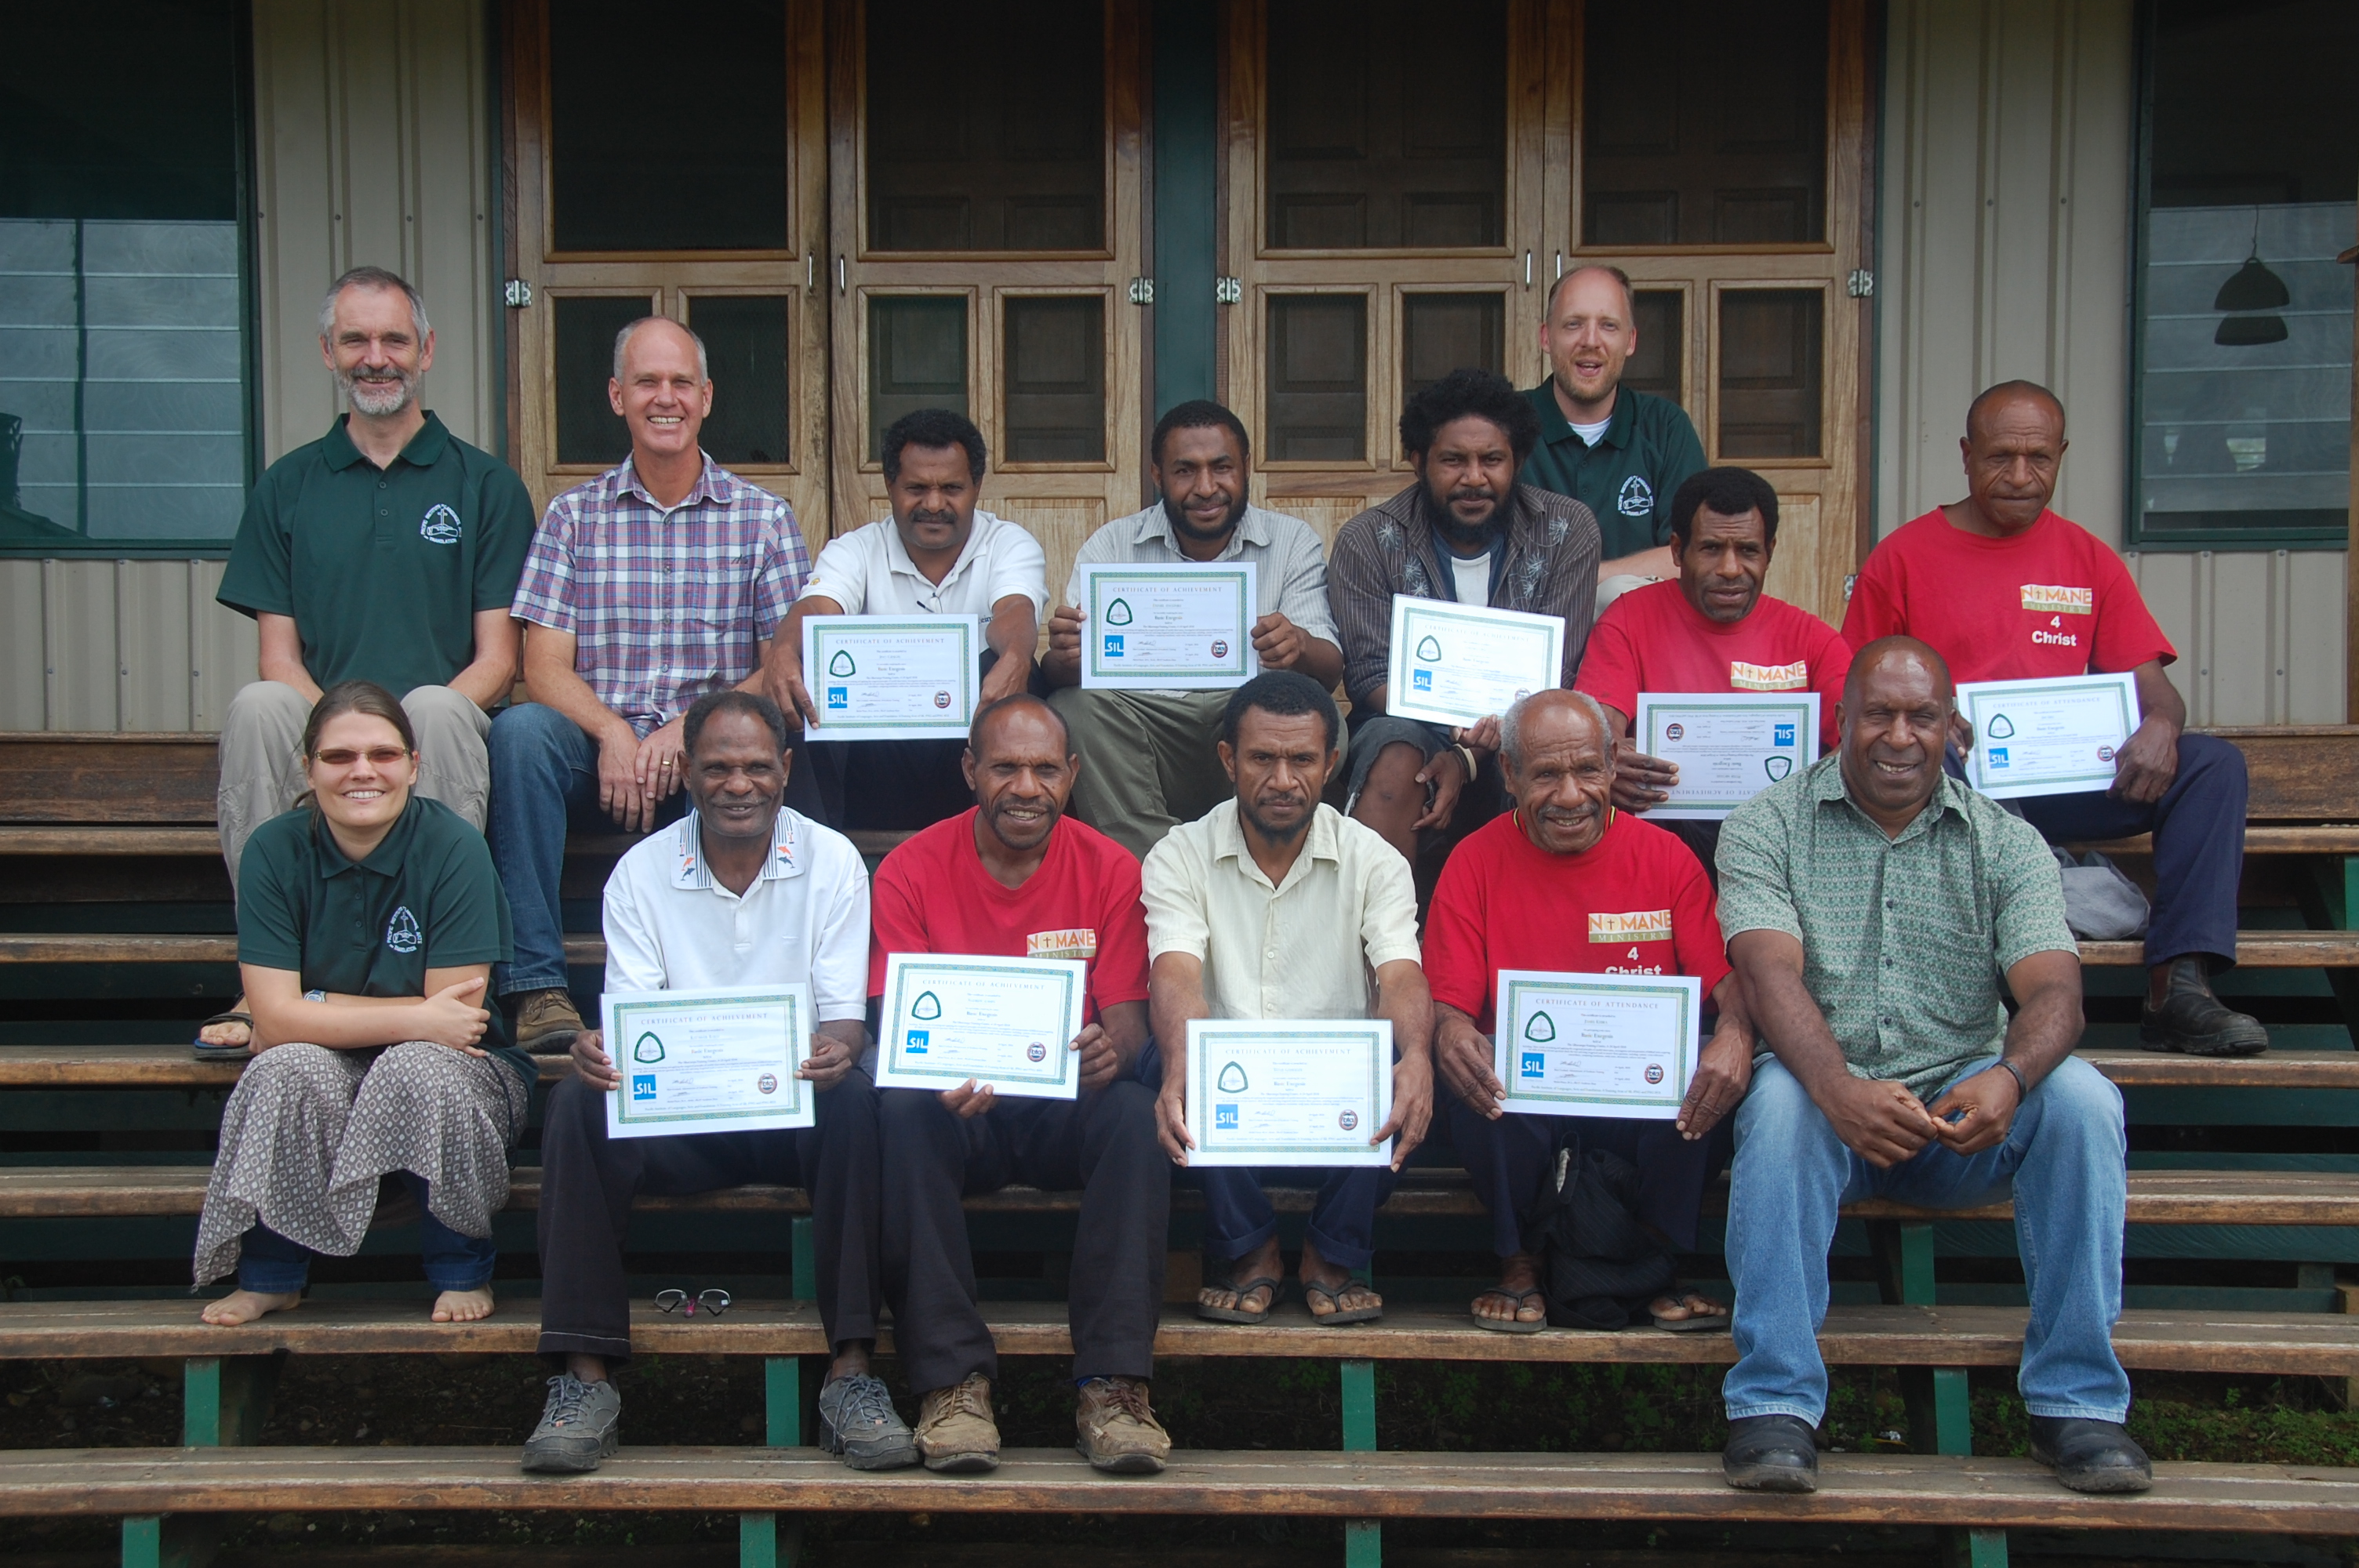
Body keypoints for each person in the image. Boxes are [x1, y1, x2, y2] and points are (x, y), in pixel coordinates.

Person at [1716, 637, 2148, 1497]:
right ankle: (1773, 1404)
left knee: (2084, 1100)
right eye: (1877, 713)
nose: (1898, 735)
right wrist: (1837, 1088)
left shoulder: (2007, 842)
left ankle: (2076, 1403)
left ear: (1953, 727)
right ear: (1840, 720)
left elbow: (2055, 994)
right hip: (1824, 1117)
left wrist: (2010, 1078)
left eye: (1921, 716)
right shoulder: (1765, 824)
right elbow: (1767, 975)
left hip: (1962, 1117)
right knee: (1778, 1102)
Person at [522, 690, 903, 1474]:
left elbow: (845, 1021)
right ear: (689, 774)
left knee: (857, 1097)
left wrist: (837, 1051)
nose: (739, 784)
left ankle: (851, 1371)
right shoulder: (641, 871)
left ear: (785, 769)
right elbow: (634, 1026)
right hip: (685, 1120)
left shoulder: (832, 859)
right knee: (577, 1101)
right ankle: (583, 1377)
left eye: (757, 766)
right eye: (719, 767)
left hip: (795, 1108)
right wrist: (603, 1053)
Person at [1844, 381, 2264, 1058]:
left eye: (2038, 458)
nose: (2020, 476)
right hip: (1958, 786)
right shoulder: (1904, 557)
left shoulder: (2087, 558)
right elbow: (1855, 690)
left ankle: (2178, 987)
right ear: (1966, 455)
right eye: (2000, 456)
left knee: (2213, 766)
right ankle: (1947, 994)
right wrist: (1926, 720)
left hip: (2069, 780)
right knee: (1914, 750)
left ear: (2061, 456)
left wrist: (2161, 726)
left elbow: (2156, 690)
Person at [201, 267, 534, 1058]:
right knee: (257, 704)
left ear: (426, 349)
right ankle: (265, 977)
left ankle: (447, 979)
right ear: (328, 351)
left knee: (438, 708)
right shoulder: (288, 484)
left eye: (393, 339)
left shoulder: (485, 484)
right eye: (355, 340)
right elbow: (278, 656)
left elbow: (498, 659)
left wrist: (394, 738)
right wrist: (347, 736)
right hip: (319, 714)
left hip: (435, 726)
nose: (375, 357)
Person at [490, 315, 815, 1055]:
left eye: (680, 383)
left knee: (773, 737)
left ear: (706, 397)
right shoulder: (573, 516)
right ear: (617, 396)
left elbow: (782, 663)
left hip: (712, 760)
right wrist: (612, 732)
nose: (664, 398)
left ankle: (769, 986)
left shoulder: (763, 518)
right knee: (519, 735)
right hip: (600, 757)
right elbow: (542, 666)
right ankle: (537, 987)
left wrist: (687, 730)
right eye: (646, 383)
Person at [870, 695, 1172, 1475]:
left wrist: (1107, 1051)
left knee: (1135, 1112)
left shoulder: (1110, 867)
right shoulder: (910, 868)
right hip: (955, 1110)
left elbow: (1129, 1025)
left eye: (1044, 768)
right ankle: (952, 1385)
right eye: (1005, 767)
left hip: (1063, 1106)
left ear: (1072, 773)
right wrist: (941, 1073)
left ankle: (1114, 1388)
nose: (1026, 787)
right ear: (969, 770)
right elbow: (892, 1024)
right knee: (898, 1112)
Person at [192, 681, 529, 1327]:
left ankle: (461, 1270)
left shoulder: (453, 845)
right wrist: (408, 1016)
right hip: (331, 1063)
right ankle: (272, 1277)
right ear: (309, 768)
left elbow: (455, 1019)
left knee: (417, 1067)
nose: (362, 772)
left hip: (457, 1071)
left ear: (413, 765)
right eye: (339, 757)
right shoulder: (273, 849)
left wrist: (313, 1003)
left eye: (383, 754)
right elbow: (276, 1022)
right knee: (284, 1067)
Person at [1423, 691, 1754, 1332]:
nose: (1571, 795)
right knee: (1476, 1088)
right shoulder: (1474, 862)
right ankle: (1519, 1266)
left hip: (1641, 1094)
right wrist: (1453, 1034)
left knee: (1710, 1084)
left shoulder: (1668, 858)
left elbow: (1727, 986)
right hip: (1527, 1098)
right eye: (1546, 774)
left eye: (1587, 770)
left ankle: (1651, 1264)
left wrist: (1737, 1034)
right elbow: (1450, 1006)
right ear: (1510, 774)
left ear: (1612, 767)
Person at [1143, 673, 1434, 1326]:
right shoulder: (1179, 854)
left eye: (1302, 759)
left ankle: (1332, 1253)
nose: (1282, 780)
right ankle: (1250, 1248)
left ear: (1331, 764)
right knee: (1168, 1059)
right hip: (1229, 1091)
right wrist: (1186, 1058)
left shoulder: (1375, 859)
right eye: (1262, 758)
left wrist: (1417, 1052)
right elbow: (1176, 971)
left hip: (1335, 1090)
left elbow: (1400, 975)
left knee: (1406, 1063)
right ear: (1228, 760)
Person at [1045, 401, 1347, 859]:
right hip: (1145, 722)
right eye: (1185, 471)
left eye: (1222, 468)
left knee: (1323, 717)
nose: (1206, 488)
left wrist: (1298, 645)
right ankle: (1164, 863)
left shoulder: (1291, 541)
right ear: (1157, 475)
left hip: (1248, 717)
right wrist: (1067, 655)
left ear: (1245, 468)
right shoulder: (1112, 544)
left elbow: (1329, 670)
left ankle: (1247, 854)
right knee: (1073, 708)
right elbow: (1060, 673)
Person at [1328, 368, 1601, 865]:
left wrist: (1471, 756)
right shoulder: (1368, 540)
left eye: (1492, 460)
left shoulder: (1566, 531)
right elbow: (1370, 675)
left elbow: (1559, 671)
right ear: (1418, 461)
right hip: (1406, 720)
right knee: (1397, 758)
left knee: (1547, 751)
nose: (1474, 478)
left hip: (1528, 720)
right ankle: (1380, 914)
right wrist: (1457, 735)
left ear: (1517, 461)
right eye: (1453, 460)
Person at [779, 408, 1048, 830]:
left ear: (977, 486)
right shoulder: (856, 550)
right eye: (916, 488)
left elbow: (1014, 610)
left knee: (1014, 669)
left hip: (971, 734)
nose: (934, 504)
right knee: (806, 679)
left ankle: (1004, 845)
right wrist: (782, 650)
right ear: (890, 485)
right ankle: (818, 849)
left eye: (952, 488)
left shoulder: (1007, 543)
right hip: (878, 751)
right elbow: (815, 609)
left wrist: (1015, 656)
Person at [1574, 466, 1852, 872]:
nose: (1730, 568)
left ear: (1770, 552)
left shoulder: (1812, 639)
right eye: (1711, 548)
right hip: (1663, 847)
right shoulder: (1629, 620)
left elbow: (1860, 735)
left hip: (1781, 849)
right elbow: (1597, 728)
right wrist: (1611, 759)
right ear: (1677, 551)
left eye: (1748, 550)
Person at [1516, 265, 1707, 601]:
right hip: (1528, 616)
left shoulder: (1665, 427)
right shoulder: (1505, 425)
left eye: (1608, 326)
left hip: (1633, 624)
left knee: (1618, 593)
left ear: (1630, 340)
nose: (1591, 341)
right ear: (1546, 337)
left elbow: (1696, 554)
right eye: (1574, 324)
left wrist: (1588, 577)